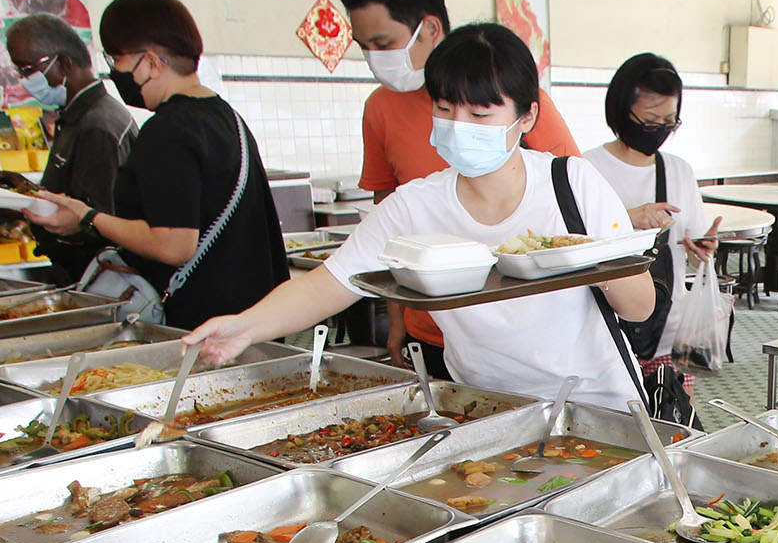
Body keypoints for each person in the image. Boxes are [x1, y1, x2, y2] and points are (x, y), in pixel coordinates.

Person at [184, 23, 652, 410]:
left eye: (480, 114)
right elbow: (325, 286)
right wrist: (243, 327)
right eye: (445, 109)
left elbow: (640, 306)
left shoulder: (573, 184)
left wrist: (587, 256)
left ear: (527, 117)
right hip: (487, 407)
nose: (459, 126)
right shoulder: (414, 206)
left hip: (598, 404)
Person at [339, 0, 581, 373]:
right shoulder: (380, 108)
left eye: (384, 44)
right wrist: (398, 318)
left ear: (430, 28)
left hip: (522, 335)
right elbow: (388, 230)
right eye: (365, 47)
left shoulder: (513, 99)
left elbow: (576, 213)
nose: (375, 58)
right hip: (431, 326)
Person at [25, 0, 287, 330]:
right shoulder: (226, 117)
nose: (114, 72)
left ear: (150, 62)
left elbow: (173, 245)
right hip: (254, 319)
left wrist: (88, 217)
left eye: (116, 61)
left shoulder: (168, 130)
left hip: (203, 326)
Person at [584, 52, 722, 364]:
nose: (659, 129)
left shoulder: (679, 171)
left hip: (670, 333)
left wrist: (702, 251)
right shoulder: (586, 168)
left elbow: (691, 250)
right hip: (603, 335)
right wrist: (628, 218)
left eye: (668, 122)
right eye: (650, 120)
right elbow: (571, 246)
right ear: (622, 110)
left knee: (675, 398)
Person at [5, 13, 134, 282]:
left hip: (99, 277)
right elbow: (72, 196)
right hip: (77, 272)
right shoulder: (74, 118)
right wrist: (20, 195)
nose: (23, 80)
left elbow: (103, 219)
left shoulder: (99, 126)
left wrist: (70, 220)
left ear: (64, 63)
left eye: (27, 69)